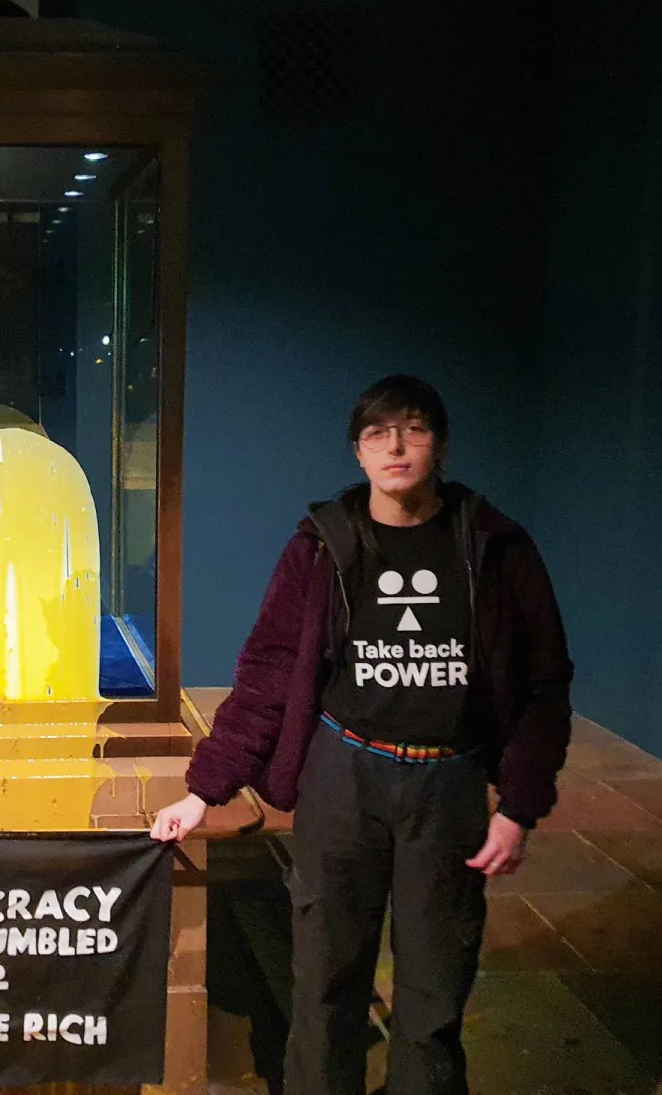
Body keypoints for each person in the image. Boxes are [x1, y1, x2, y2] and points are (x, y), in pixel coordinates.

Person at [151, 376, 573, 1095]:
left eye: (414, 429)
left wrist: (518, 806)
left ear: (441, 445)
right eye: (378, 433)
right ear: (358, 450)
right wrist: (204, 790)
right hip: (343, 778)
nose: (396, 447)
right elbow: (269, 669)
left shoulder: (494, 547)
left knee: (435, 990)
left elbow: (543, 682)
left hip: (449, 785)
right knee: (324, 981)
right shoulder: (323, 548)